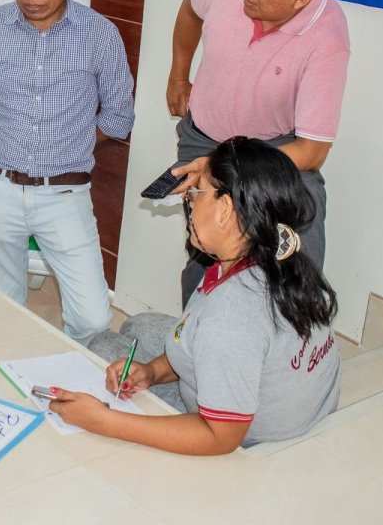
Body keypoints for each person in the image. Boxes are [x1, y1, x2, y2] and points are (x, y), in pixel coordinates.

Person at [54, 137, 341, 454]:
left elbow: (220, 437)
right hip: (290, 400)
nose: (188, 204)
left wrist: (104, 421)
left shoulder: (230, 317)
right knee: (138, 326)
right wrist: (151, 372)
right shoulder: (279, 254)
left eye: (195, 193)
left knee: (104, 346)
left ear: (225, 209)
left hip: (253, 441)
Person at [0, 0, 134, 343]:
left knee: (92, 317)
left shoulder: (100, 36)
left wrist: (65, 144)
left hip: (65, 193)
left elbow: (118, 118)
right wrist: (9, 143)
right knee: (3, 307)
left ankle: (70, 381)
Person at [163, 0, 350, 307]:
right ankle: (194, 349)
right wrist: (179, 75)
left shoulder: (327, 39)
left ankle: (293, 352)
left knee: (295, 265)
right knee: (205, 257)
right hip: (203, 138)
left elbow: (313, 150)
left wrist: (224, 169)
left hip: (274, 155)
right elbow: (190, 9)